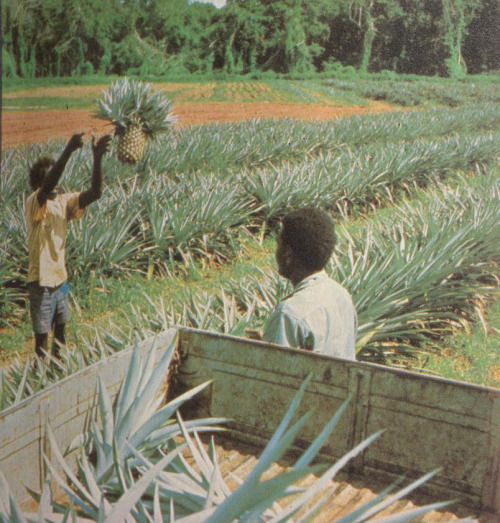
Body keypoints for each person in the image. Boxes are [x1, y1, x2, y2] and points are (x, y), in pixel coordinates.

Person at [25, 131, 112, 360]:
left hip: (61, 281)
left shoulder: (62, 202)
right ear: (38, 184)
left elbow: (95, 193)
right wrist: (69, 149)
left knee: (62, 329)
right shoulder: (35, 202)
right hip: (41, 283)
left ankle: (58, 369)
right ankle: (40, 379)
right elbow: (50, 183)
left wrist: (97, 157)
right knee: (42, 338)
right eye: (48, 179)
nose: (55, 184)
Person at [257, 207, 357, 359]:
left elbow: (273, 375)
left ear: (288, 253)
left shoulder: (289, 314)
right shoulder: (341, 296)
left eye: (279, 244)